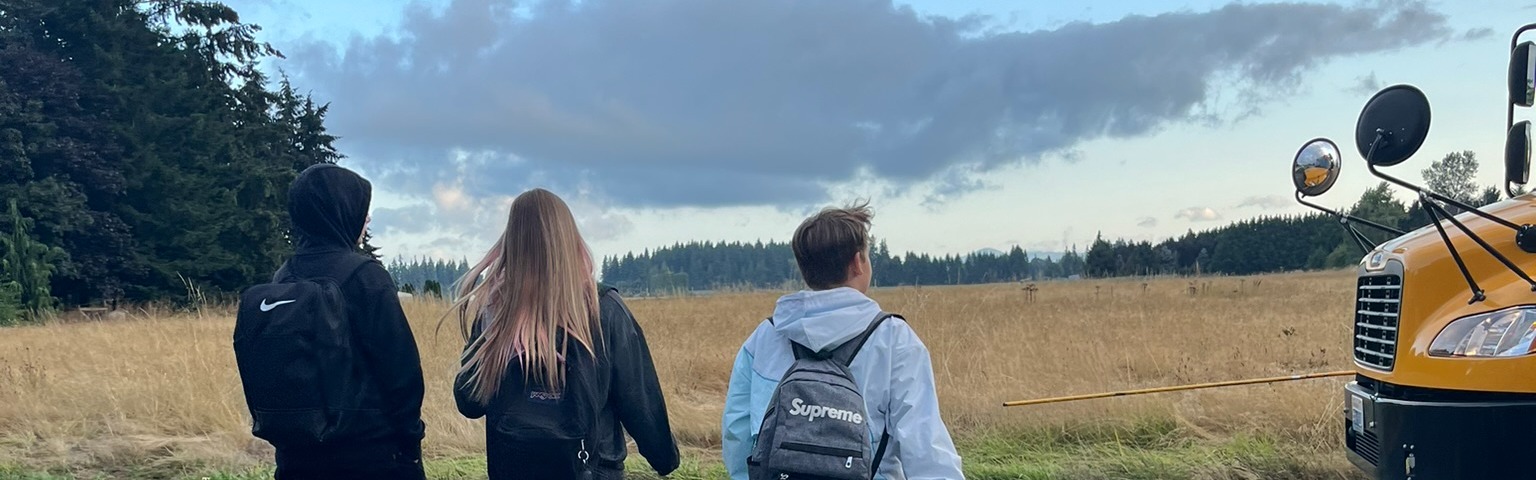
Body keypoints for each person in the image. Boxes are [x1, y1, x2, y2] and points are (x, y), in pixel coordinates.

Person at [721, 200, 965, 480]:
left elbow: (737, 432)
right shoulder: (893, 338)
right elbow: (925, 444)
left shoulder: (765, 336)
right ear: (859, 262)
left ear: (804, 268)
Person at [446, 188, 679, 480]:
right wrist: (664, 458)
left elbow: (469, 402)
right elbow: (639, 396)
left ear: (512, 242)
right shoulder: (602, 308)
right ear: (570, 238)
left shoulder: (495, 312)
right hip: (592, 469)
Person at [252, 163, 427, 479]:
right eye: (363, 211)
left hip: (297, 458)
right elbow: (402, 375)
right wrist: (410, 442)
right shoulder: (365, 277)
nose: (366, 220)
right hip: (370, 456)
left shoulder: (283, 278)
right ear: (342, 211)